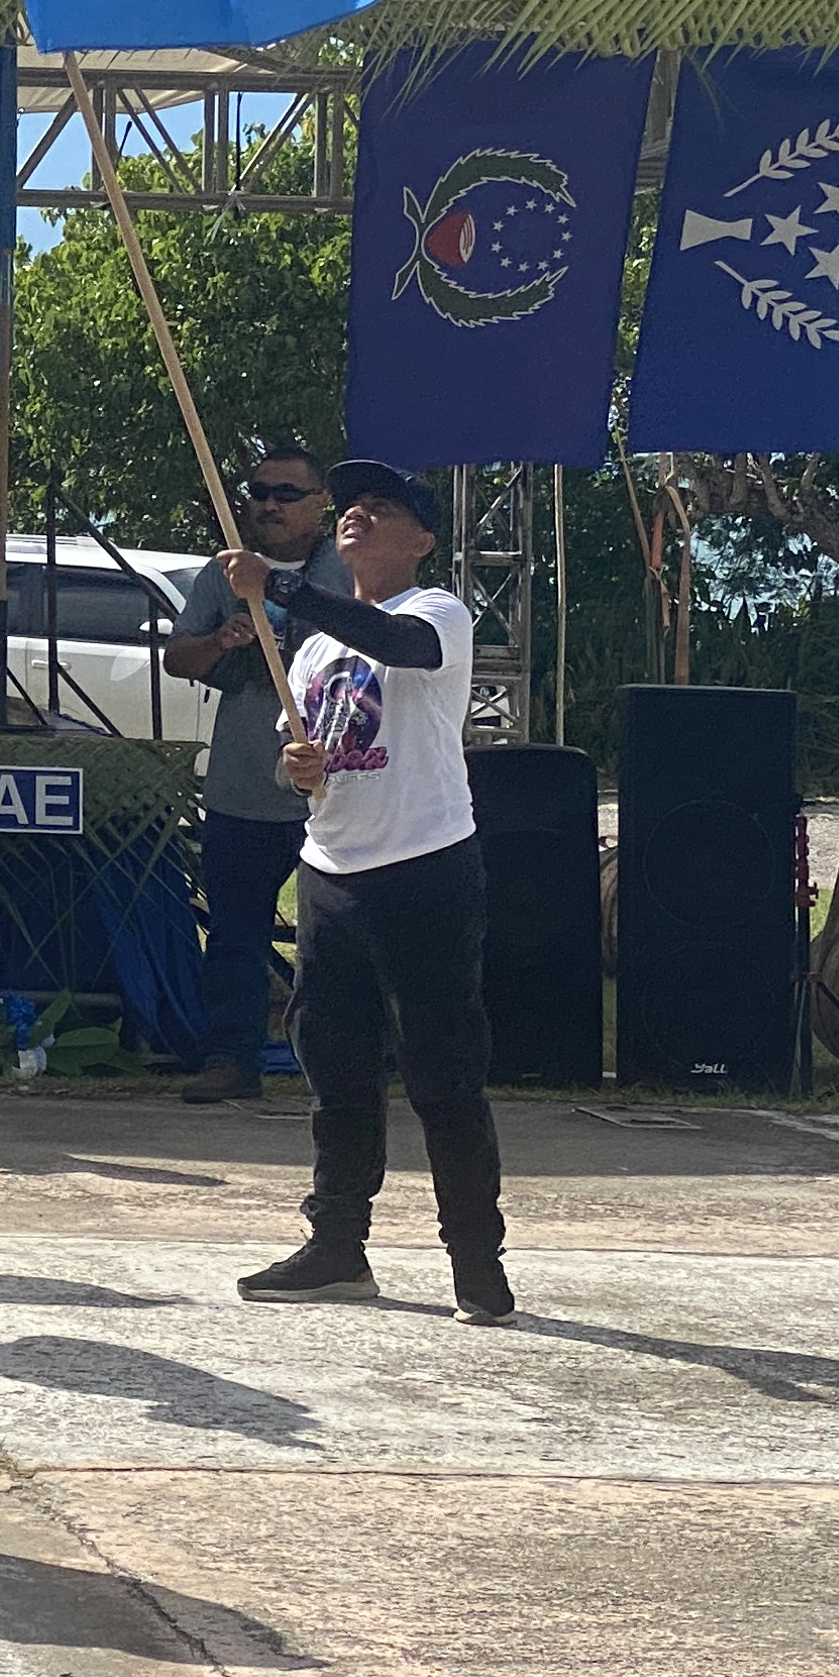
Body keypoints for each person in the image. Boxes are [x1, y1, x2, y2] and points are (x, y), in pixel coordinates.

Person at [227, 460, 511, 1323]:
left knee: (441, 1069)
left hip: (424, 865)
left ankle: (475, 1258)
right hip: (331, 871)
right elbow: (297, 764)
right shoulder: (310, 651)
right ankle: (337, 1245)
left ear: (421, 540)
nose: (357, 515)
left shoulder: (436, 613)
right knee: (335, 1068)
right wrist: (294, 767)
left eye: (380, 509)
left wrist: (279, 587)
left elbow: (400, 652)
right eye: (350, 507)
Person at [162, 444, 355, 1103]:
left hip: (332, 789)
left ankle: (346, 1061)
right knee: (236, 935)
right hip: (243, 785)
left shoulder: (348, 573)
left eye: (286, 493)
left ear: (320, 503)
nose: (269, 504)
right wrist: (221, 642)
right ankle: (230, 1059)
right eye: (259, 491)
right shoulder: (227, 576)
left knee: (342, 939)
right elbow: (177, 658)